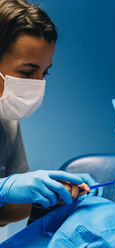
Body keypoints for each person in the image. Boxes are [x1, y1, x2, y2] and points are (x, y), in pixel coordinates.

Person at [0, 0, 99, 226]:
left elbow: (6, 212)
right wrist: (4, 189)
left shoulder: (6, 123)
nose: (36, 85)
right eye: (27, 72)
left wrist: (51, 196)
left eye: (44, 74)